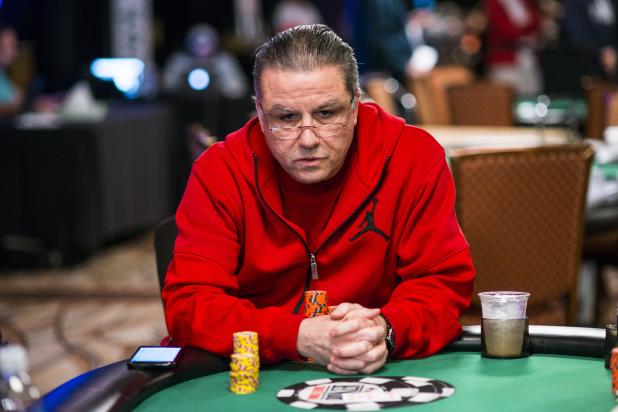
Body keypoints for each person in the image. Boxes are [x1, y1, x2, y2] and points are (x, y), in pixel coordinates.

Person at [162, 24, 475, 375]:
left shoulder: (413, 157)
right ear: (260, 114)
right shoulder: (220, 171)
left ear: (356, 105)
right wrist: (297, 334)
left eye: (326, 114)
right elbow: (190, 305)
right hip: (255, 373)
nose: (308, 138)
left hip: (377, 371)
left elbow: (442, 283)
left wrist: (386, 329)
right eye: (286, 118)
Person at [0, 21, 23, 116]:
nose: (13, 52)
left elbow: (18, 97)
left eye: (14, 46)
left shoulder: (2, 73)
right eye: (5, 46)